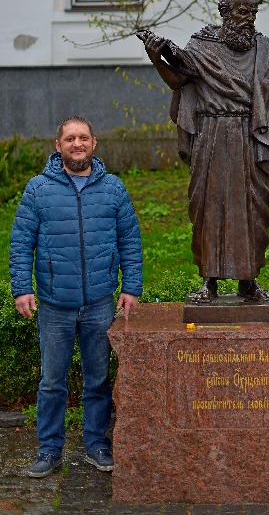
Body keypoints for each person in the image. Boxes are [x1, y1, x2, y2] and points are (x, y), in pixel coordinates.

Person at [138, 0, 269, 301]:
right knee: (207, 208)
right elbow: (178, 79)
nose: (248, 18)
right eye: (242, 11)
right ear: (225, 13)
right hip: (211, 134)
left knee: (253, 209)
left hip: (250, 136)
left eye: (253, 12)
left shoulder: (264, 47)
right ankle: (209, 281)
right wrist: (155, 56)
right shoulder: (201, 45)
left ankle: (248, 282)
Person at [10, 116, 143, 478]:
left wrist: (131, 287)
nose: (77, 143)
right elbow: (21, 243)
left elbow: (130, 241)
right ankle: (49, 449)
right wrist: (22, 287)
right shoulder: (38, 189)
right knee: (52, 382)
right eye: (70, 138)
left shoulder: (113, 189)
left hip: (100, 304)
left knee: (98, 380)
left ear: (94, 143)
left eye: (83, 137)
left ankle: (96, 444)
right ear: (59, 146)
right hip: (54, 305)